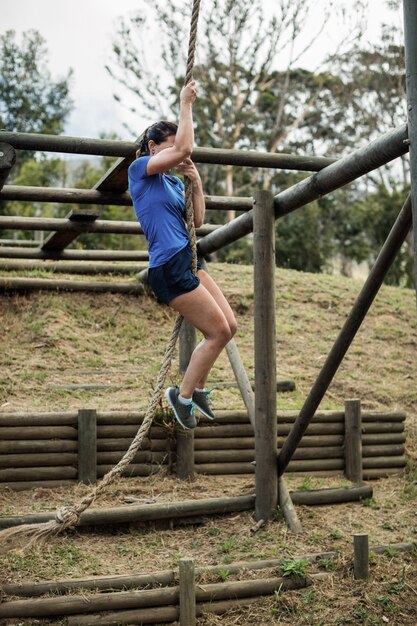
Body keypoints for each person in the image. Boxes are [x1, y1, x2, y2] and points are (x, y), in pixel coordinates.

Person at [128, 81, 237, 430]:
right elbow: (187, 145)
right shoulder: (140, 171)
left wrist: (197, 181)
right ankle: (183, 396)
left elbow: (198, 221)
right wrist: (185, 104)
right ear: (152, 147)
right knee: (217, 332)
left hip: (188, 257)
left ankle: (199, 389)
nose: (180, 154)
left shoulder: (174, 184)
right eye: (170, 148)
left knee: (230, 326)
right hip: (168, 266)